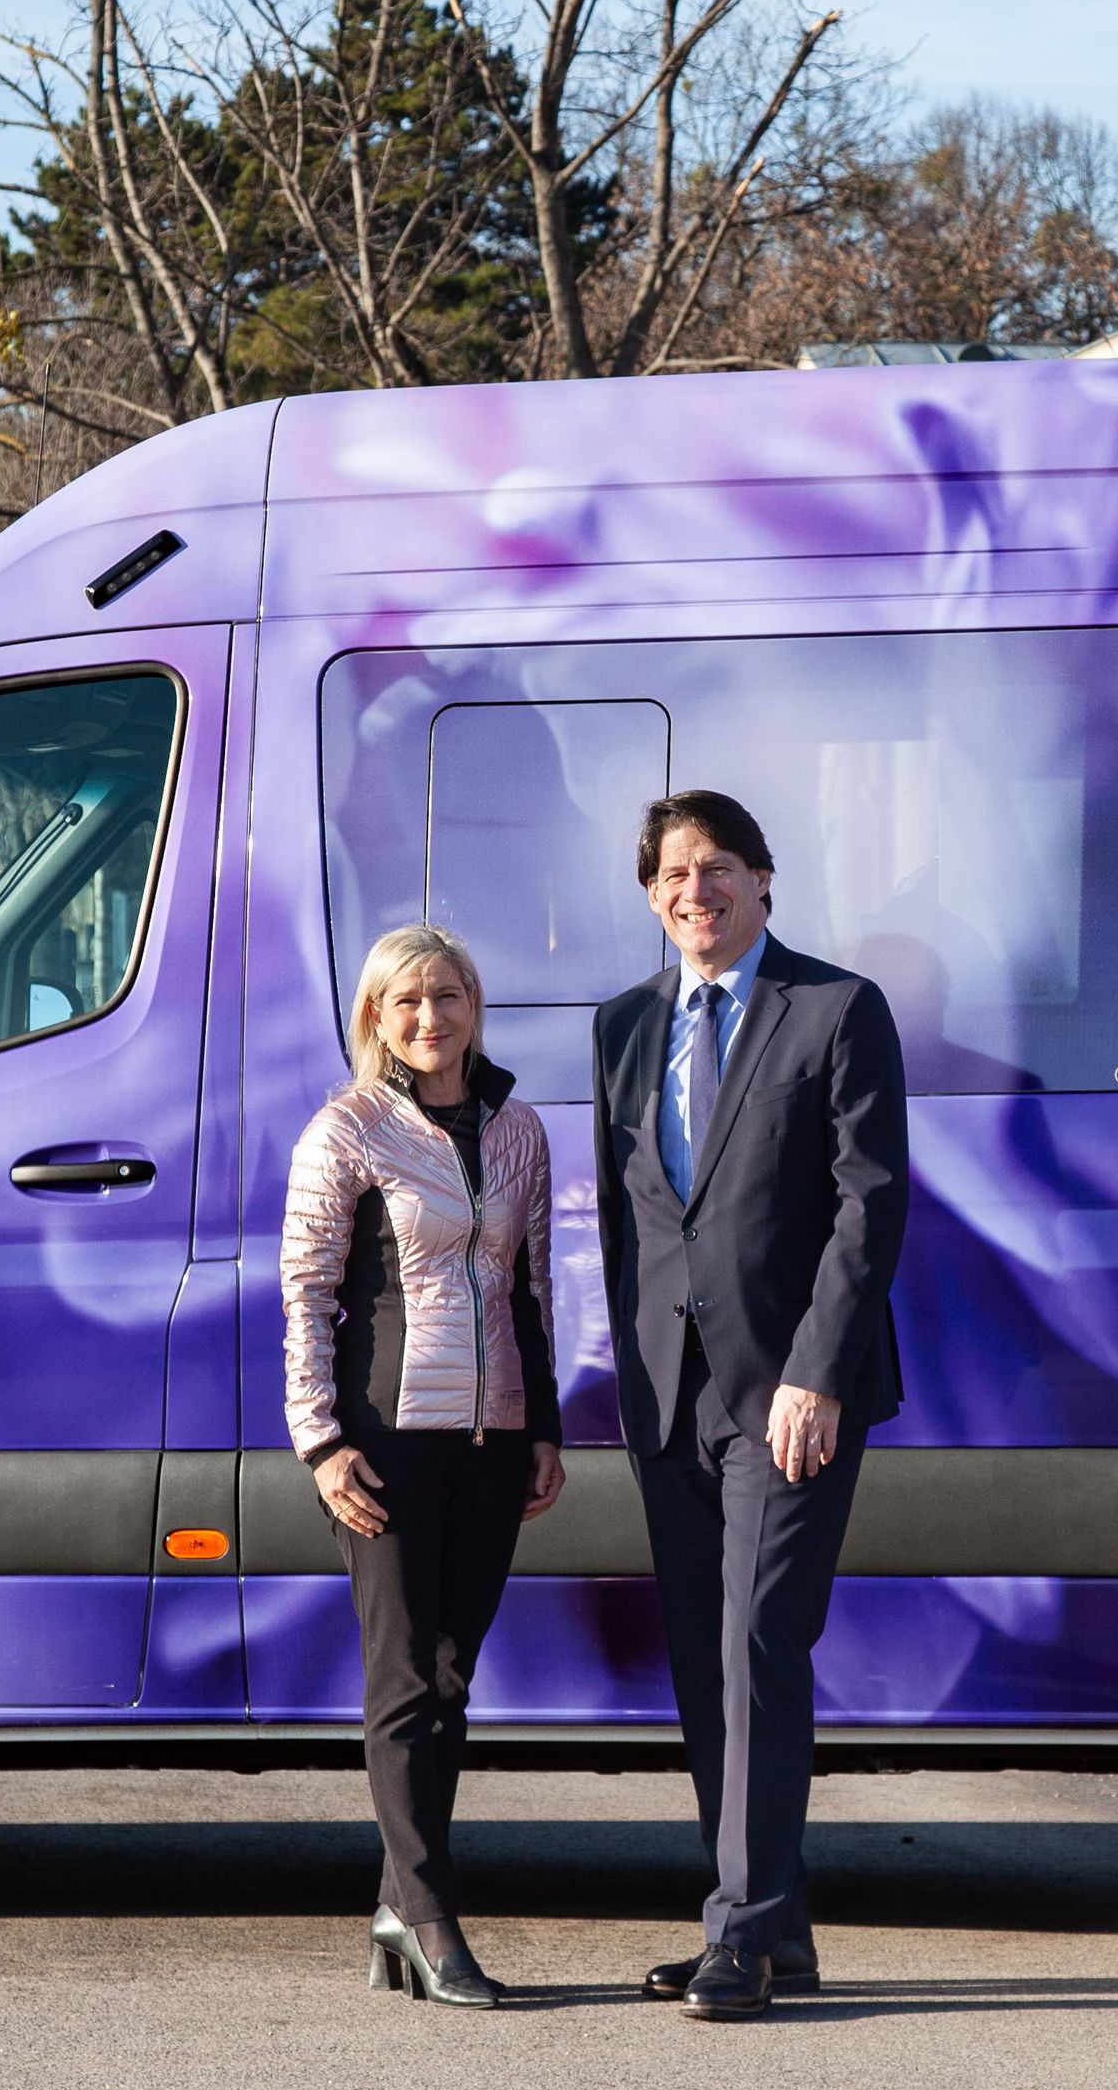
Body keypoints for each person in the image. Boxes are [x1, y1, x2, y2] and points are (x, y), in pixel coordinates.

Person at [590, 789, 909, 2021]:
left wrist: (819, 1371)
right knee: (702, 1664)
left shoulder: (834, 1009)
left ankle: (737, 1933)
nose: (695, 891)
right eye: (672, 874)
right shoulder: (623, 1025)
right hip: (669, 1398)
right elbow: (631, 1221)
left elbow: (867, 1203)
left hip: (790, 1394)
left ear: (764, 882)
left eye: (717, 868)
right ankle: (777, 1922)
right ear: (650, 896)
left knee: (758, 1645)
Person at [282, 922, 566, 2008]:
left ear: (473, 1005)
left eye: (447, 995)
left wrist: (545, 1428)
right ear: (374, 1017)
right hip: (387, 1445)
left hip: (492, 1442)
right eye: (405, 1001)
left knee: (452, 1677)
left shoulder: (519, 1130)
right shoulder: (346, 1130)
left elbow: (533, 1290)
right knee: (403, 1678)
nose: (429, 1018)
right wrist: (321, 1442)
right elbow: (306, 1296)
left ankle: (400, 1902)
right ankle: (430, 1915)